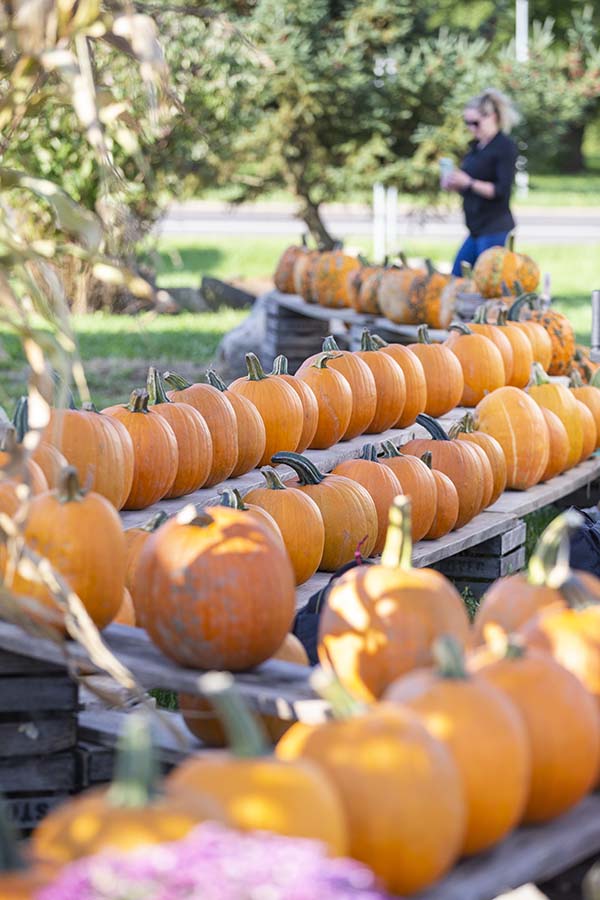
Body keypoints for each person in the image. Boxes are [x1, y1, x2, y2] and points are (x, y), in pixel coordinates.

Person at [442, 88, 520, 276]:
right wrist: (456, 183)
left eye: (475, 123)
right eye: (467, 123)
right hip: (475, 228)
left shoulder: (504, 147)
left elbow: (501, 190)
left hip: (494, 228)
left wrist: (468, 182)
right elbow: (471, 187)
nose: (471, 128)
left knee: (489, 284)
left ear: (492, 117)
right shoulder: (475, 148)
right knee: (457, 279)